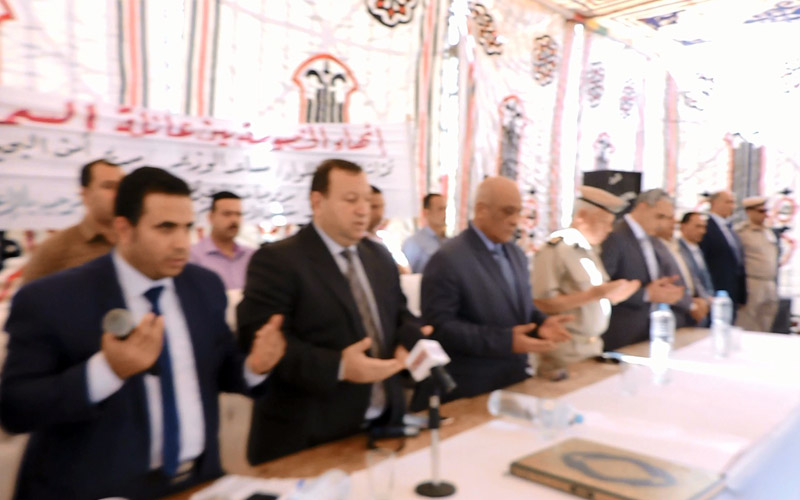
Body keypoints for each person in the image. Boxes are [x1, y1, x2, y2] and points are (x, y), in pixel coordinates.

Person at [0, 167, 286, 500]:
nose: (181, 243)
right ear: (124, 229)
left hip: (198, 483)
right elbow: (15, 409)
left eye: (187, 227)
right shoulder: (52, 299)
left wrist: (254, 367)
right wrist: (107, 371)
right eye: (165, 228)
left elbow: (219, 368)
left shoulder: (204, 287)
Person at [237, 159, 423, 465]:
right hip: (310, 438)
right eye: (350, 200)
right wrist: (340, 367)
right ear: (317, 202)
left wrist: (407, 341)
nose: (363, 210)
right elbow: (263, 346)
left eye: (367, 200)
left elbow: (401, 315)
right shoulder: (277, 261)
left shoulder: (378, 256)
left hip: (382, 428)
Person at [417, 176, 571, 407]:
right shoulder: (449, 259)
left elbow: (519, 307)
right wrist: (505, 341)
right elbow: (440, 328)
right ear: (481, 210)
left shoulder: (515, 254)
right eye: (507, 212)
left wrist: (540, 323)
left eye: (518, 212)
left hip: (514, 379)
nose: (515, 221)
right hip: (470, 388)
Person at [532, 186, 640, 378]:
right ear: (582, 216)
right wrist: (595, 294)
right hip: (565, 350)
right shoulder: (558, 248)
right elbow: (541, 302)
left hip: (592, 347)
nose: (609, 230)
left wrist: (613, 295)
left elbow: (591, 298)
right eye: (605, 222)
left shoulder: (589, 250)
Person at [600, 189, 686, 350]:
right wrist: (646, 294)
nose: (662, 225)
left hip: (649, 329)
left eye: (667, 219)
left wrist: (663, 288)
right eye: (659, 217)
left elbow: (647, 279)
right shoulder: (615, 236)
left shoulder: (652, 239)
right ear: (642, 207)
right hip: (622, 333)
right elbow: (602, 287)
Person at [22, 159, 124, 283]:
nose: (118, 194)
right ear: (85, 194)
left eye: (122, 187)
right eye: (109, 186)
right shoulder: (54, 251)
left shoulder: (135, 241)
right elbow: (29, 294)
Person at [189, 191, 255, 290]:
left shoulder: (251, 255)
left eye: (238, 214)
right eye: (227, 214)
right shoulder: (193, 256)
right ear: (211, 217)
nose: (234, 220)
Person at [655, 213, 710, 327]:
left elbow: (692, 276)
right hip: (673, 312)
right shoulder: (655, 248)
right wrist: (691, 304)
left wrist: (704, 300)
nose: (674, 221)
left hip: (693, 308)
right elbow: (663, 284)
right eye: (668, 217)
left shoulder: (677, 246)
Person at [736, 197, 779, 332]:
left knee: (765, 323)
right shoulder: (742, 232)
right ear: (749, 212)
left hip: (769, 282)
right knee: (747, 323)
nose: (764, 215)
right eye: (760, 211)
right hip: (752, 282)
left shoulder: (768, 232)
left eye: (766, 211)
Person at [699, 190, 746, 311]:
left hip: (732, 292)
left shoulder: (730, 230)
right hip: (715, 292)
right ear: (715, 203)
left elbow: (738, 263)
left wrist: (741, 295)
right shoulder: (705, 228)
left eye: (733, 203)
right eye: (728, 202)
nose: (732, 206)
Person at [678, 212, 715, 326]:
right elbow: (692, 278)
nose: (702, 231)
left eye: (703, 227)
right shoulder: (678, 249)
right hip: (693, 307)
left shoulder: (698, 249)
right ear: (683, 226)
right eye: (697, 226)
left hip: (706, 305)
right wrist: (705, 298)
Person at [402, 193, 448, 274]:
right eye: (440, 209)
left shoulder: (449, 241)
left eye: (445, 209)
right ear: (426, 213)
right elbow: (407, 274)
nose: (444, 213)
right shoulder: (413, 243)